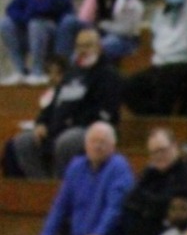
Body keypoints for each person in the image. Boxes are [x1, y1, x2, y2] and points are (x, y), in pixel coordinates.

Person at [20, 121, 133, 235]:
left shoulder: (119, 168)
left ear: (113, 146)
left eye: (103, 142)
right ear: (86, 145)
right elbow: (60, 206)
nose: (97, 146)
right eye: (93, 141)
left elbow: (114, 209)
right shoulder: (76, 166)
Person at [7, 27, 121, 179]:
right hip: (59, 128)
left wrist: (70, 123)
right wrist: (41, 123)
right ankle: (41, 184)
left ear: (99, 47)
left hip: (88, 129)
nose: (83, 50)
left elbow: (105, 112)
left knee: (66, 142)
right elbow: (52, 105)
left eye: (88, 45)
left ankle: (62, 183)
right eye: (79, 46)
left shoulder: (109, 75)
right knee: (23, 142)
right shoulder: (71, 74)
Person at [1, 0, 72, 85]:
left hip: (52, 33)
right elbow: (12, 9)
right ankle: (20, 70)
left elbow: (43, 10)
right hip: (29, 30)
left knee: (36, 23)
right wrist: (25, 18)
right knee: (5, 23)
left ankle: (37, 71)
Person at [54, 0, 142, 63]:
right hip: (100, 30)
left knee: (98, 45)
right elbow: (84, 17)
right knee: (69, 21)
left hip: (122, 39)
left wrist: (102, 25)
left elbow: (126, 30)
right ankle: (62, 62)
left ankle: (77, 65)